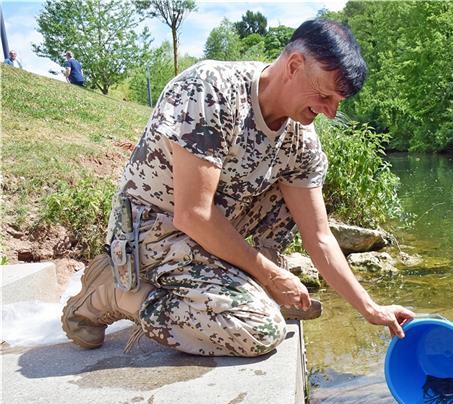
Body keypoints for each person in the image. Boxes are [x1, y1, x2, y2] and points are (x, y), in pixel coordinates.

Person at [61, 18, 415, 357]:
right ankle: (116, 292)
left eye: (338, 103)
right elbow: (193, 214)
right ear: (294, 65)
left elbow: (319, 237)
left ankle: (250, 292)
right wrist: (271, 273)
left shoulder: (299, 141)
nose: (331, 112)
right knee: (261, 331)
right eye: (325, 96)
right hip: (152, 234)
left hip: (203, 237)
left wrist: (371, 308)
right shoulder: (212, 91)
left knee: (291, 194)